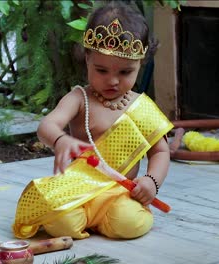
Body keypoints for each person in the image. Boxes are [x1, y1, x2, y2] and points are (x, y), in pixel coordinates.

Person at [13, 1, 173, 240]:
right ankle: (85, 221)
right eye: (101, 70)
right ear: (87, 58)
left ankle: (104, 220)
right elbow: (46, 126)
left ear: (141, 63)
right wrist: (60, 140)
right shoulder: (79, 98)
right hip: (76, 190)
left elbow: (160, 152)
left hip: (119, 194)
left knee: (128, 223)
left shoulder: (141, 107)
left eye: (125, 72)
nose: (112, 81)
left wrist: (151, 181)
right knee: (61, 220)